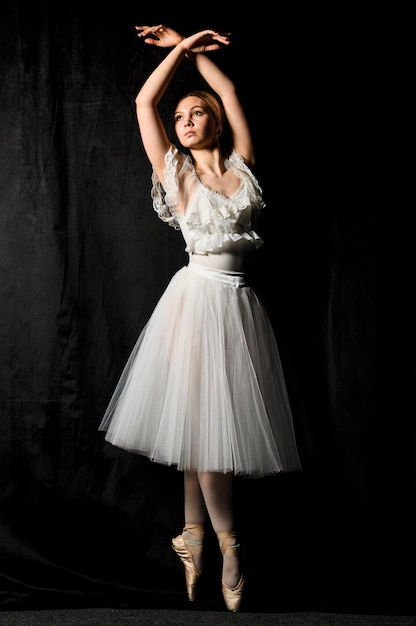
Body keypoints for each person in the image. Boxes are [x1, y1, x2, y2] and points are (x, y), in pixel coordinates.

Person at [99, 23, 302, 612]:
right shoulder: (178, 173)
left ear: (212, 120)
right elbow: (145, 102)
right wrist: (180, 51)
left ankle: (191, 535)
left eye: (195, 112)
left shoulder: (244, 169)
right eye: (180, 116)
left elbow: (233, 96)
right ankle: (229, 545)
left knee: (204, 429)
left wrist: (195, 47)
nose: (185, 120)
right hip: (195, 303)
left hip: (239, 305)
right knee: (209, 436)